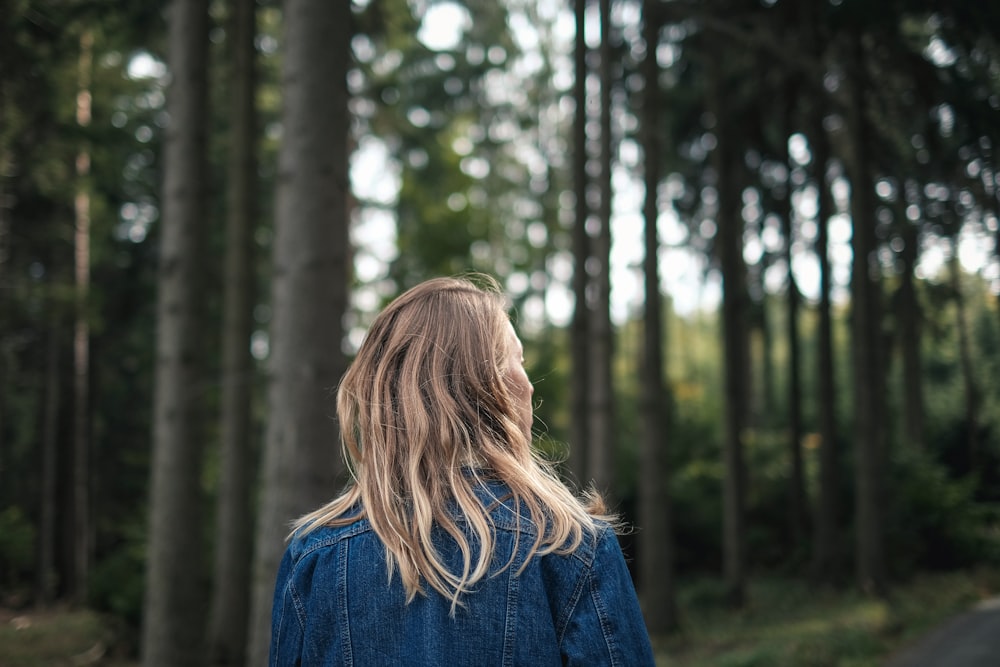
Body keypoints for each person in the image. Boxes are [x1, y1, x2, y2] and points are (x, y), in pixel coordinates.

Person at [269, 275, 655, 666]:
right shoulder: (569, 545)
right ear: (485, 384)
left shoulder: (315, 554)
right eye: (516, 360)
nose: (530, 385)